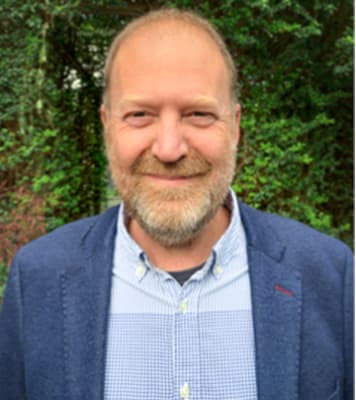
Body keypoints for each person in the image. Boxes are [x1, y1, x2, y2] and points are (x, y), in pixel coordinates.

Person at [0, 8, 353, 400]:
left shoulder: (332, 277)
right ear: (107, 127)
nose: (169, 149)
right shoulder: (37, 280)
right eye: (139, 115)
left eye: (199, 114)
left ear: (235, 126)